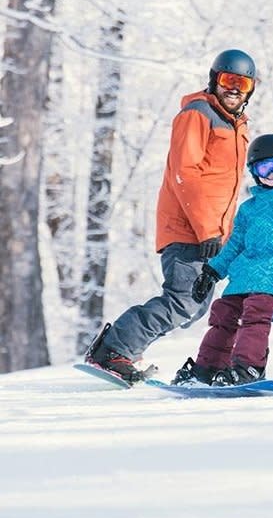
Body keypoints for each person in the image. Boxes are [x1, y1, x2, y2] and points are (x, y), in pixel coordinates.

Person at [85, 49, 258, 384]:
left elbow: (224, 190)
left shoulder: (237, 125)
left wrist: (230, 236)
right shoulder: (199, 114)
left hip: (211, 236)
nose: (234, 89)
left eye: (242, 83)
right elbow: (186, 174)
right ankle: (113, 349)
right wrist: (208, 229)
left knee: (193, 308)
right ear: (214, 80)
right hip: (189, 230)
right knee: (182, 302)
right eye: (228, 80)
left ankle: (122, 350)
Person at [170, 133, 273, 387]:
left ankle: (248, 367)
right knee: (223, 312)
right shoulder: (248, 208)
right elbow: (234, 245)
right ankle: (208, 368)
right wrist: (212, 271)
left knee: (256, 310)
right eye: (265, 168)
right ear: (254, 171)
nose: (272, 174)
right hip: (244, 273)